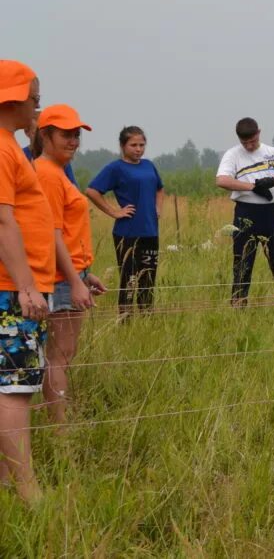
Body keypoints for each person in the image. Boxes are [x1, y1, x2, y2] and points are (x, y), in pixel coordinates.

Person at [0, 60, 55, 504]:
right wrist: (26, 286)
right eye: (34, 94)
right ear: (13, 96)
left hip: (12, 284)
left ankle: (6, 481)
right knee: (14, 389)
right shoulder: (1, 149)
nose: (38, 102)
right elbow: (2, 221)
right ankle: (27, 490)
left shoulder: (9, 147)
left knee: (9, 386)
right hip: (10, 288)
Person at [33, 104, 107, 425]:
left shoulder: (56, 172)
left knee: (64, 354)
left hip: (70, 273)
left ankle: (58, 418)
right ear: (45, 135)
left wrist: (84, 274)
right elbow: (51, 234)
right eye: (66, 134)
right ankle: (59, 428)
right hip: (60, 278)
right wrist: (74, 280)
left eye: (77, 135)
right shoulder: (47, 174)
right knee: (59, 356)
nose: (74, 141)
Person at [85, 126, 164, 321]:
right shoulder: (115, 168)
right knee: (129, 278)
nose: (138, 149)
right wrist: (114, 211)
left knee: (148, 278)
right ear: (122, 146)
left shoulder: (149, 165)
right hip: (127, 232)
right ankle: (125, 320)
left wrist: (158, 208)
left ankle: (147, 317)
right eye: (134, 145)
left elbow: (160, 189)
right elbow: (92, 191)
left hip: (151, 231)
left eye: (142, 145)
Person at [215, 117, 274, 307]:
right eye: (244, 142)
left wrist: (273, 181)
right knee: (242, 262)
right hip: (245, 212)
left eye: (252, 141)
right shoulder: (233, 155)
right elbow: (222, 180)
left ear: (259, 133)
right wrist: (253, 186)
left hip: (270, 212)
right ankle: (239, 303)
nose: (249, 146)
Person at [22, 108, 76, 185]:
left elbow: (73, 186)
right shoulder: (20, 157)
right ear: (27, 132)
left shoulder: (59, 159)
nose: (42, 138)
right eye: (36, 133)